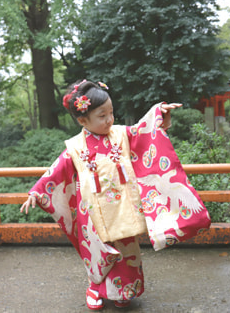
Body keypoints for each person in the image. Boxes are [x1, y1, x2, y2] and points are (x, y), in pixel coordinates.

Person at [21, 80, 210, 310]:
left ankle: (124, 289)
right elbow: (56, 171)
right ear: (83, 120)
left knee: (127, 247)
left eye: (111, 112)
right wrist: (37, 191)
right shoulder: (75, 147)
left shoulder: (121, 134)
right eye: (102, 116)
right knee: (98, 250)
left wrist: (158, 113)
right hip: (92, 209)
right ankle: (95, 287)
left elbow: (144, 131)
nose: (110, 119)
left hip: (123, 205)